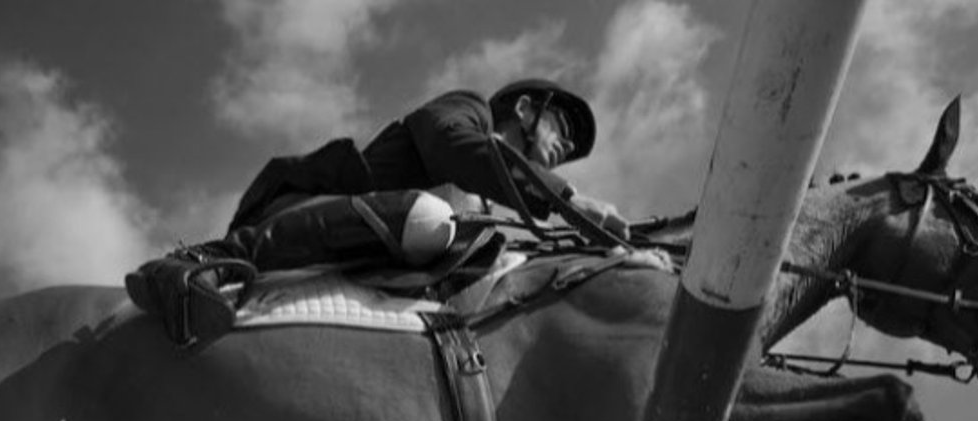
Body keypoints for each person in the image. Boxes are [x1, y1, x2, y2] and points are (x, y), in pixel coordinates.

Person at [125, 79, 631, 347]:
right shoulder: (467, 111)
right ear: (524, 111)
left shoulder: (491, 206)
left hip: (388, 264)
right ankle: (201, 260)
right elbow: (451, 147)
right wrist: (568, 198)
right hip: (303, 209)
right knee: (431, 217)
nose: (566, 144)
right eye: (562, 126)